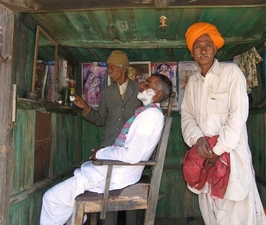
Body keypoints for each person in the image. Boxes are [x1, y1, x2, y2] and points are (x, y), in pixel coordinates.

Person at [40, 73, 173, 225]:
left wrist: (101, 153)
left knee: (51, 199)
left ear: (158, 94)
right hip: (117, 172)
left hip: (114, 175)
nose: (141, 85)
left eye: (148, 84)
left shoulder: (149, 116)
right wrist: (105, 151)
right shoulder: (149, 113)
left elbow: (131, 155)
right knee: (63, 202)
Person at [181, 22, 266, 225]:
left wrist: (218, 150)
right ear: (192, 52)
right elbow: (187, 116)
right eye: (197, 46)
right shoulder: (193, 83)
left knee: (238, 216)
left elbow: (237, 117)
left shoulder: (232, 73)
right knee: (211, 213)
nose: (202, 49)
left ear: (215, 48)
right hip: (205, 160)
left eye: (207, 45)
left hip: (232, 157)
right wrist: (198, 139)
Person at [73, 50, 143, 147]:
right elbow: (101, 120)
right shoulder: (107, 92)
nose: (109, 72)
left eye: (111, 68)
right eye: (108, 68)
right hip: (110, 144)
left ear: (123, 68)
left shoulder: (139, 88)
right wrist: (85, 107)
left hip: (132, 144)